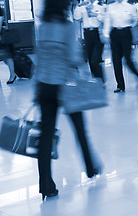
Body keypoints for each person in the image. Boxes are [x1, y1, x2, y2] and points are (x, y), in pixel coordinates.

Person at [35, 0, 102, 201]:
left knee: (46, 136)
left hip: (45, 85)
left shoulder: (42, 26)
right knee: (80, 129)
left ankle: (46, 184)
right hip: (65, 85)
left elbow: (38, 57)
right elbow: (73, 58)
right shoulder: (68, 26)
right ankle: (90, 168)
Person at [102, 0, 138, 93]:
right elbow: (107, 21)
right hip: (114, 33)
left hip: (126, 33)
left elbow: (135, 20)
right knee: (116, 60)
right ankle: (120, 86)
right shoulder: (110, 7)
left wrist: (131, 22)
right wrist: (105, 34)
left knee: (128, 59)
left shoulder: (130, 7)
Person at [74, 0, 106, 83]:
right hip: (87, 34)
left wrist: (95, 15)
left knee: (95, 60)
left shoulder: (100, 6)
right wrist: (79, 6)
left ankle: (101, 80)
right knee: (90, 59)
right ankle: (97, 80)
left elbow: (105, 19)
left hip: (98, 33)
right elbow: (76, 18)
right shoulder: (82, 7)